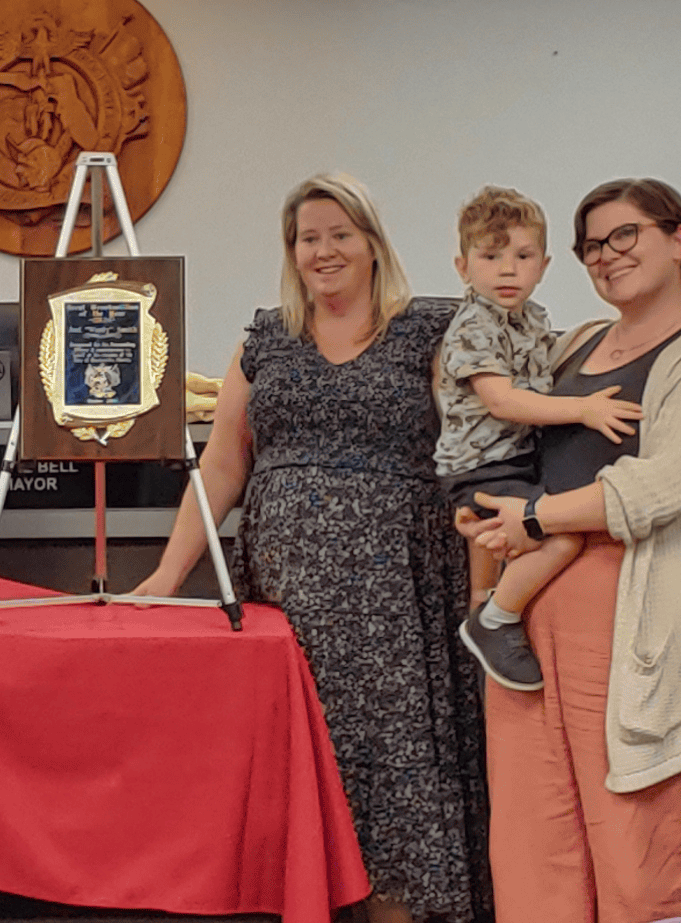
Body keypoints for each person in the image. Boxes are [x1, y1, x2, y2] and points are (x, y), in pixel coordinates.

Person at [133, 172, 490, 923]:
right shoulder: (265, 338)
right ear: (292, 252)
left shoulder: (428, 329)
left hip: (398, 592)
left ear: (370, 244)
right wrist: (169, 572)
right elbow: (225, 461)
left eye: (339, 235)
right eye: (308, 238)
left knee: (392, 775)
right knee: (304, 762)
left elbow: (471, 443)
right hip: (289, 598)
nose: (323, 251)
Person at [464, 178, 681, 922]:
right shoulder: (574, 345)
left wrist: (533, 519)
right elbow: (497, 440)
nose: (606, 255)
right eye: (592, 245)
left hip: (641, 636)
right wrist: (482, 531)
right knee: (535, 851)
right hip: (524, 635)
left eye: (624, 235)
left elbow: (660, 487)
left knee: (638, 855)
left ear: (679, 238)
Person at [434, 186, 642, 692]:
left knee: (530, 533)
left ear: (544, 265)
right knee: (562, 534)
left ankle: (486, 598)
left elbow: (549, 359)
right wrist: (584, 410)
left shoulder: (531, 319)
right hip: (483, 466)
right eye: (491, 256)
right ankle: (495, 619)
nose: (508, 270)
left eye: (523, 256)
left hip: (515, 459)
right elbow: (503, 401)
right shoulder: (473, 325)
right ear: (464, 267)